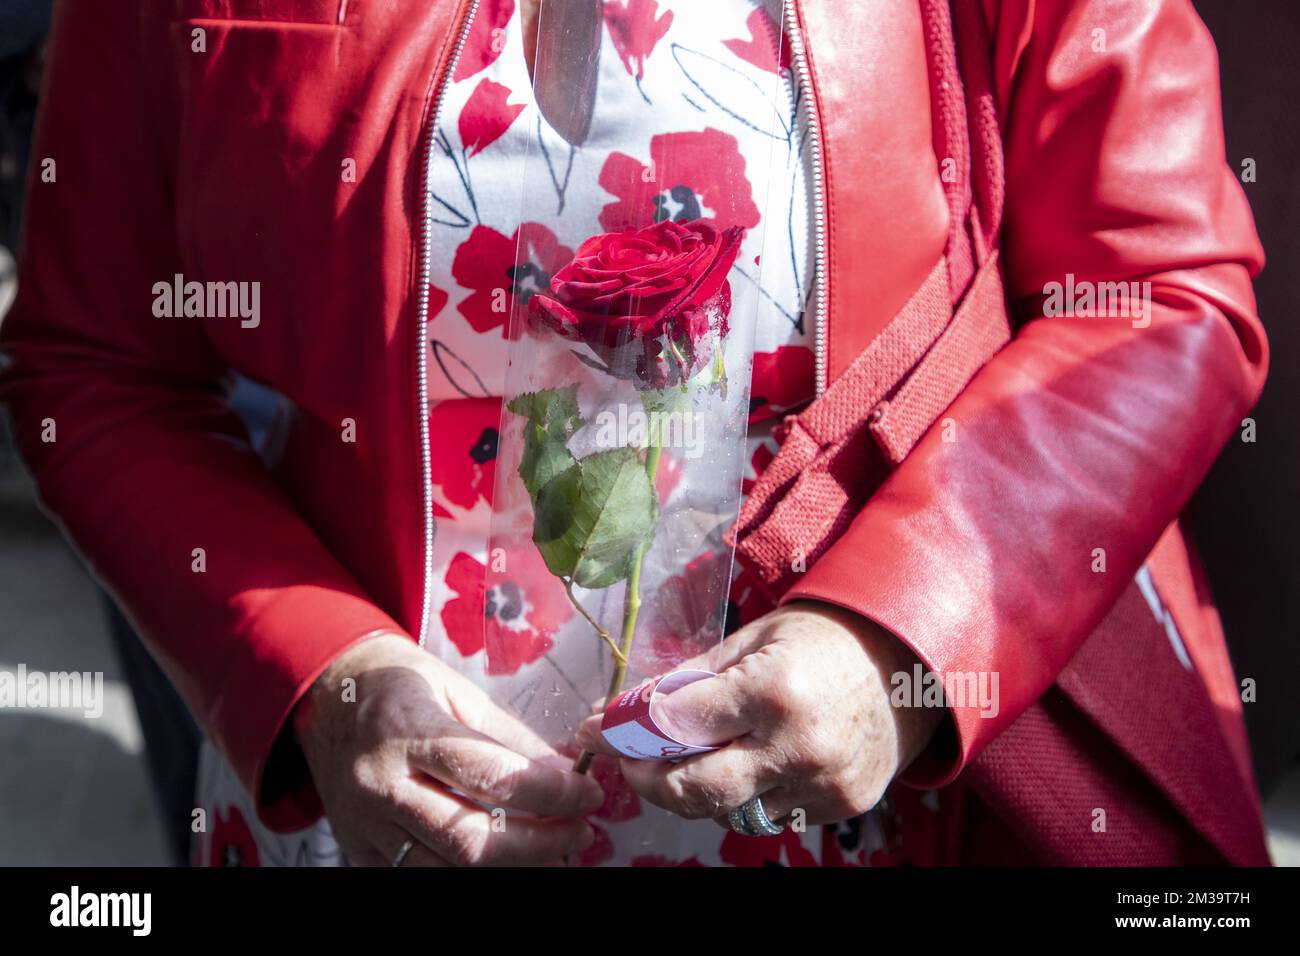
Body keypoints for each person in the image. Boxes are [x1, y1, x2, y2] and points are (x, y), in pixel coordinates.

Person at [0, 0, 1270, 866]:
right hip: (369, 813)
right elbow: (97, 363)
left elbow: (1160, 284)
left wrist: (903, 639)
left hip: (864, 815)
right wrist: (312, 675)